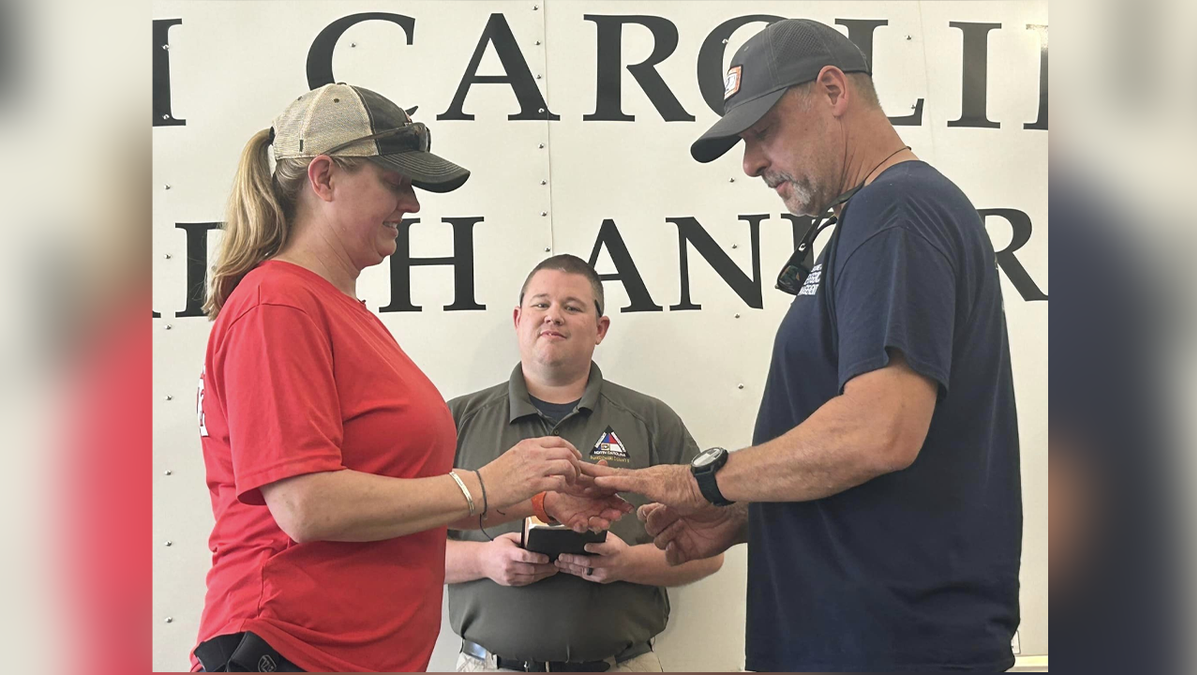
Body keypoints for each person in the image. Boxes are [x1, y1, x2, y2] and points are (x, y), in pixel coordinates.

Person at [588, 19, 1023, 672]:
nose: (751, 162)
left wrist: (701, 479)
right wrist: (745, 515)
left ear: (831, 90)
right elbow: (885, 473)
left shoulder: (897, 211)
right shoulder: (875, 218)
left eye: (764, 131)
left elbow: (879, 430)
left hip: (892, 647)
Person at [192, 84, 627, 673]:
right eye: (394, 183)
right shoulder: (278, 305)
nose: (412, 204)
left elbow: (396, 495)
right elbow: (304, 505)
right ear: (323, 178)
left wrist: (537, 500)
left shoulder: (337, 312)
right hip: (292, 648)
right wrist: (481, 485)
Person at [445, 255, 724, 672]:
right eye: (540, 305)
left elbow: (711, 550)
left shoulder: (651, 422)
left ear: (600, 329)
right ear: (519, 319)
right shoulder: (456, 421)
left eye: (572, 307)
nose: (553, 316)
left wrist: (627, 564)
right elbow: (404, 550)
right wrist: (484, 561)